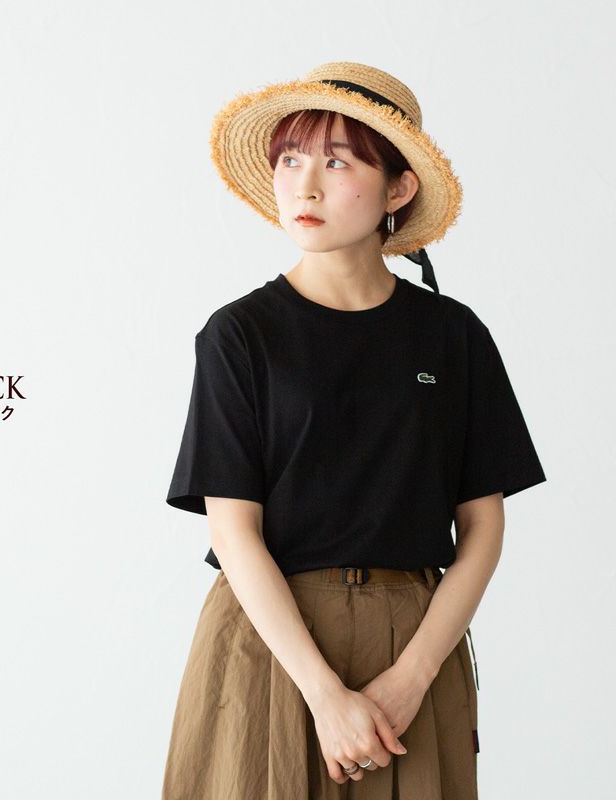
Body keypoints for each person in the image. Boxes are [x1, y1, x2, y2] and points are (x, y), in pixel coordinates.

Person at [161, 62, 547, 800]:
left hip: (415, 642)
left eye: (338, 163)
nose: (304, 186)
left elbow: (483, 527)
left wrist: (411, 678)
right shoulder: (240, 336)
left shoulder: (453, 336)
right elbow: (233, 532)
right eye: (290, 160)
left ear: (398, 190)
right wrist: (324, 695)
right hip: (271, 645)